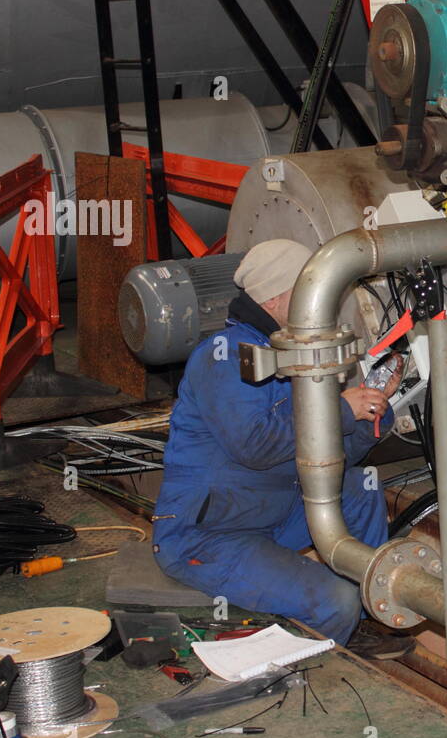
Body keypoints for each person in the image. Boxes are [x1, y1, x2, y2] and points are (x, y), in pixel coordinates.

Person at [151, 239, 412, 659]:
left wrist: (370, 414)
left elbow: (330, 457)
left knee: (360, 485)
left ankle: (357, 616)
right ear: (277, 298)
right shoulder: (225, 357)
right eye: (310, 290)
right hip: (210, 534)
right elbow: (255, 446)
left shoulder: (291, 353)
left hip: (274, 511)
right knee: (332, 604)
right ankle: (326, 638)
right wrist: (341, 411)